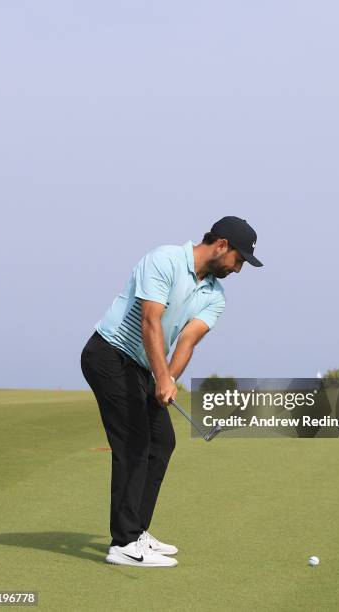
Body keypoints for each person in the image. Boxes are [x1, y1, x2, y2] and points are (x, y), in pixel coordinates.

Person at [80, 216, 263, 568]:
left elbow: (187, 340)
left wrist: (168, 380)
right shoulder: (164, 260)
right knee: (134, 442)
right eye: (239, 260)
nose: (239, 270)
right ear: (222, 245)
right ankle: (123, 543)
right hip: (108, 354)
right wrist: (160, 378)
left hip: (143, 367)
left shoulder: (216, 296)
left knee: (162, 441)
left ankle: (137, 531)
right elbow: (150, 320)